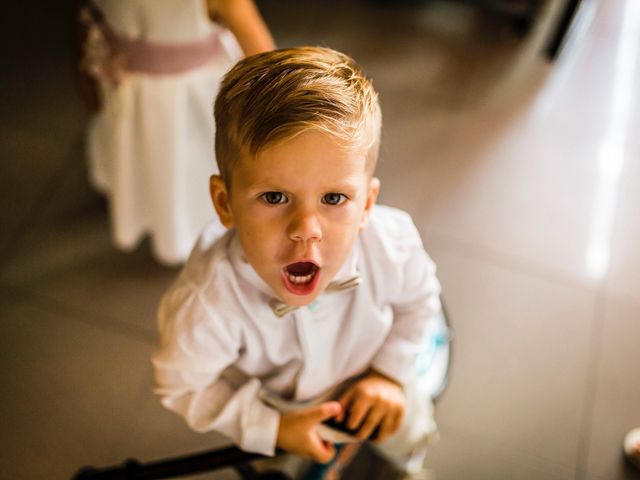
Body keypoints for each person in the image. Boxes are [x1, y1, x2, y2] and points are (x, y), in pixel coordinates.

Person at [152, 47, 441, 479]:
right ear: (225, 203)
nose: (306, 228)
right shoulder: (208, 302)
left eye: (333, 198)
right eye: (274, 197)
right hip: (281, 405)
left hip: (376, 371)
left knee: (408, 428)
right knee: (286, 470)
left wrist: (389, 373)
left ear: (366, 205)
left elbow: (420, 301)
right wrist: (271, 427)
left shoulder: (391, 246)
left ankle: (406, 465)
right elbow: (182, 383)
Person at [79, 0, 275, 265]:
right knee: (193, 163)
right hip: (193, 95)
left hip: (129, 88)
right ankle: (189, 228)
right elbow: (264, 59)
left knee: (141, 153)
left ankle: (147, 211)